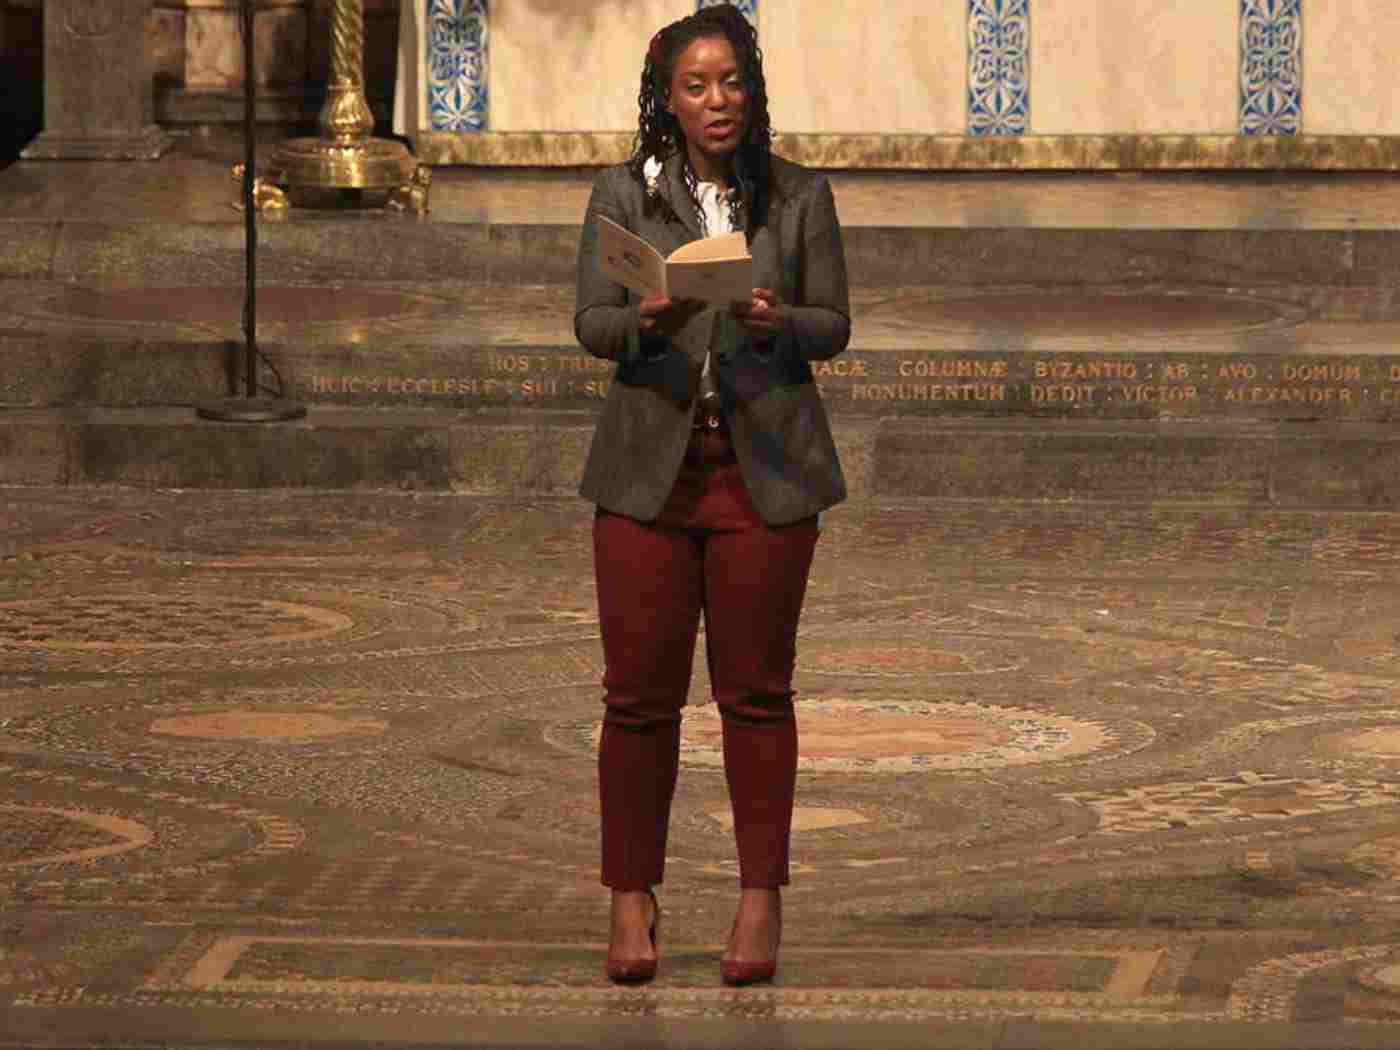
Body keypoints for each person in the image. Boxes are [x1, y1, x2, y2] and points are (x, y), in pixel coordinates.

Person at [573, 3, 850, 986]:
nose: (715, 100)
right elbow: (589, 325)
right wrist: (644, 319)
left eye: (729, 81)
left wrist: (778, 319)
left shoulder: (797, 195)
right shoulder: (623, 192)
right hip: (648, 470)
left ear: (751, 88)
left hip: (761, 468)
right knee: (638, 699)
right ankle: (628, 898)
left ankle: (757, 902)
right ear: (668, 99)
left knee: (755, 696)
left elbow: (834, 325)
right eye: (695, 85)